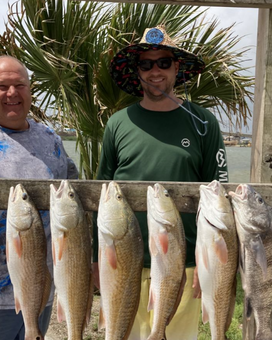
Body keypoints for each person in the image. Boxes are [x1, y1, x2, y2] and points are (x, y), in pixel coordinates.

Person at [93, 25, 228, 340]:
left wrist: (206, 264)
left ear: (177, 66)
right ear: (136, 70)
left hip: (183, 264)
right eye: (146, 63)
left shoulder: (204, 123)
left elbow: (219, 195)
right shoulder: (117, 123)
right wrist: (93, 258)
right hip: (122, 259)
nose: (155, 71)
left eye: (164, 62)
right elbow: (102, 191)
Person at [0, 55, 78, 340]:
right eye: (2, 86)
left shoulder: (50, 139)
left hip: (41, 285)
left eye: (20, 85)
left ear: (30, 90)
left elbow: (73, 190)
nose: (12, 93)